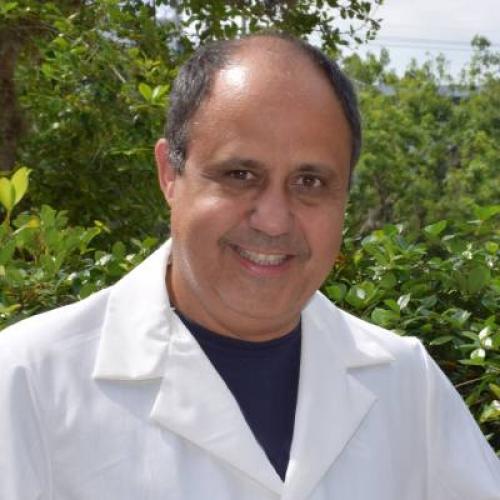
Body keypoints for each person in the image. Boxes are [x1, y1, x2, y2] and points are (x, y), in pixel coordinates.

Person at [0, 32, 498, 500]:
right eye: (239, 174)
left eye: (310, 182)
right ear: (170, 174)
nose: (274, 220)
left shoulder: (407, 384)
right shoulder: (27, 382)